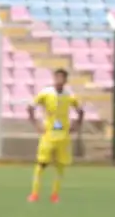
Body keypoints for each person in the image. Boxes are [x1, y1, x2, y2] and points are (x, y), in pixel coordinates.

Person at [27, 68, 83, 203]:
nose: (59, 80)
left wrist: (75, 126)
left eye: (61, 77)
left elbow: (80, 111)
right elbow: (30, 107)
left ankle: (55, 195)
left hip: (63, 136)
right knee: (41, 164)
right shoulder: (46, 93)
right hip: (48, 135)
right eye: (57, 77)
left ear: (65, 80)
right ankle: (34, 194)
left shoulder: (70, 95)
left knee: (60, 166)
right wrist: (36, 124)